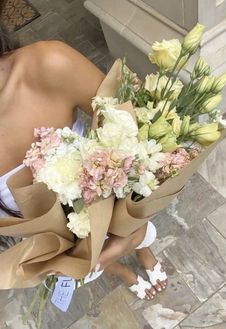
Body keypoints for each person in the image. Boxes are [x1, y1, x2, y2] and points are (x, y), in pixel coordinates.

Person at [0, 22, 167, 300]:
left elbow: (139, 131)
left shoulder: (49, 64)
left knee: (133, 235)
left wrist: (128, 236)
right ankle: (120, 270)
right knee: (88, 261)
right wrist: (79, 260)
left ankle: (142, 250)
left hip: (118, 209)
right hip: (61, 244)